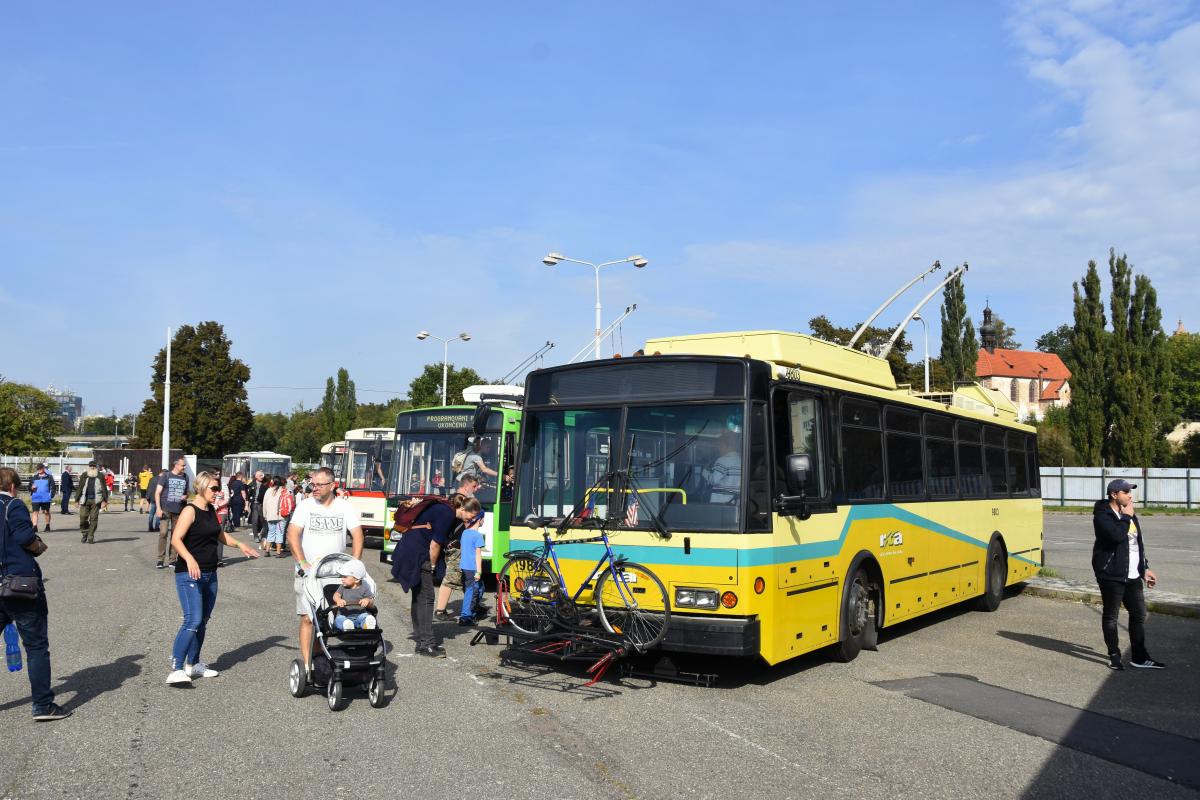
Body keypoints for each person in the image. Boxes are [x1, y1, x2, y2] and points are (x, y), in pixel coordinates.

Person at [166, 471, 260, 685]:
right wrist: (189, 559)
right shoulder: (190, 510)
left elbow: (219, 534)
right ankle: (177, 668)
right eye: (214, 489)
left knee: (203, 621)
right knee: (193, 620)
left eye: (219, 489)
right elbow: (176, 539)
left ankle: (194, 664)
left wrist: (240, 544)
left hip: (210, 572)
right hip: (189, 573)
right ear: (201, 487)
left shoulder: (209, 509)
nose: (218, 493)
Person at [0, 467, 70, 720]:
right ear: (12, 487)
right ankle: (42, 705)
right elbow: (23, 535)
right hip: (19, 583)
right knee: (36, 646)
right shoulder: (13, 505)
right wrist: (38, 544)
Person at [286, 467, 364, 671]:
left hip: (336, 573)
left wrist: (354, 565)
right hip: (309, 572)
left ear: (332, 486)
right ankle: (307, 666)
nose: (315, 488)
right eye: (313, 484)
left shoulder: (344, 507)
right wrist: (302, 562)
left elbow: (357, 535)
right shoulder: (305, 506)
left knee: (329, 617)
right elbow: (292, 533)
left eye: (320, 485)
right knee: (307, 618)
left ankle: (319, 655)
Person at [391, 493, 481, 657]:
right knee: (427, 597)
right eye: (472, 516)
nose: (471, 520)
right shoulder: (447, 514)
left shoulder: (444, 509)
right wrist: (431, 567)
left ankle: (421, 639)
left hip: (408, 550)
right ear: (463, 508)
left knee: (418, 596)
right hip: (418, 554)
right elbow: (435, 544)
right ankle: (427, 644)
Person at [1093, 479, 1165, 671]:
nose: (1130, 495)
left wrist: (1145, 568)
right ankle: (1114, 654)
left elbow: (1137, 544)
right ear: (1114, 495)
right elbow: (1116, 536)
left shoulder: (1130, 514)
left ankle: (1139, 657)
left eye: (1130, 491)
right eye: (1126, 492)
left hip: (1133, 575)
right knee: (1111, 616)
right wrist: (1126, 517)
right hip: (1111, 574)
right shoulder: (1102, 515)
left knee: (1139, 614)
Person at [434, 474, 481, 619]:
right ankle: (440, 611)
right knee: (452, 578)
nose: (476, 489)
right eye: (474, 486)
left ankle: (472, 607)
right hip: (455, 545)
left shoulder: (454, 499)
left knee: (466, 578)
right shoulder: (460, 502)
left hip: (456, 544)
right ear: (466, 485)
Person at [155, 458, 188, 569]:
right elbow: (157, 492)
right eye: (182, 465)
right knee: (163, 533)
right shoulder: (166, 475)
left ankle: (172, 560)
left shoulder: (185, 477)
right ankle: (160, 559)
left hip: (179, 510)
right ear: (176, 465)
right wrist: (158, 508)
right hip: (165, 509)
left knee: (176, 535)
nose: (184, 467)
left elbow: (186, 492)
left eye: (184, 466)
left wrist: (185, 497)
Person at [703, 415, 743, 504]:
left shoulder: (722, 461)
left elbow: (714, 480)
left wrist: (705, 471)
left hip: (721, 504)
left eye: (719, 445)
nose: (719, 449)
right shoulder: (741, 461)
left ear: (726, 445)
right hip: (736, 503)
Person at [457, 506, 486, 626]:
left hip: (464, 566)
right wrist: (478, 572)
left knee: (480, 588)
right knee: (472, 590)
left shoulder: (465, 532)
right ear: (480, 520)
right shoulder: (477, 536)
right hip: (473, 568)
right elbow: (478, 555)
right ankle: (466, 616)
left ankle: (471, 611)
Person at [332, 558, 377, 630]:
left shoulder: (365, 586)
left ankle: (367, 625)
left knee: (365, 616)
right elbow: (336, 595)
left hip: (360, 615)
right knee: (339, 619)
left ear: (356, 579)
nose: (342, 579)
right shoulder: (343, 586)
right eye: (342, 576)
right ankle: (347, 626)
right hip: (345, 616)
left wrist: (367, 600)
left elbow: (371, 602)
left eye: (345, 577)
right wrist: (338, 600)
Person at [73, 461, 109, 543]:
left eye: (94, 466)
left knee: (94, 519)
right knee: (82, 518)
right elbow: (80, 487)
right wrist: (76, 500)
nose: (92, 467)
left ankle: (90, 536)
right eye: (91, 466)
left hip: (96, 501)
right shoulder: (84, 475)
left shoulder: (100, 476)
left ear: (96, 467)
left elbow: (104, 488)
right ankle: (85, 532)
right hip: (84, 500)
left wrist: (105, 500)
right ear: (88, 466)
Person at [27, 464, 56, 532]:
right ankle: (35, 526)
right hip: (36, 497)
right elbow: (29, 487)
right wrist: (31, 488)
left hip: (45, 498)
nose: (39, 470)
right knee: (35, 512)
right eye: (38, 468)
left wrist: (51, 496)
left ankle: (47, 525)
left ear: (43, 468)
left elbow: (53, 487)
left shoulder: (49, 477)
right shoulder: (34, 477)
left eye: (40, 468)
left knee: (46, 512)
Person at [262, 475, 284, 557]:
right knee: (280, 533)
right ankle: (278, 552)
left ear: (273, 481)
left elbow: (264, 503)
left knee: (271, 532)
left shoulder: (268, 490)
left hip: (270, 515)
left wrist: (265, 514)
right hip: (281, 516)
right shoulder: (283, 491)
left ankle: (267, 551)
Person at [249, 470, 268, 542]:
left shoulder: (265, 485)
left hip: (262, 504)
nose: (262, 477)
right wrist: (247, 505)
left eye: (262, 475)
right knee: (255, 520)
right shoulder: (251, 484)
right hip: (254, 504)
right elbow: (248, 495)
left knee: (263, 520)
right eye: (260, 475)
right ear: (256, 476)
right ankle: (255, 536)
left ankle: (262, 535)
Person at [147, 468, 167, 533]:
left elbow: (149, 488)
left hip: (152, 498)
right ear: (163, 473)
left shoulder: (152, 479)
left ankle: (150, 527)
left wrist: (148, 497)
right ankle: (156, 527)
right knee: (158, 513)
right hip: (160, 498)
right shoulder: (163, 479)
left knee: (151, 513)